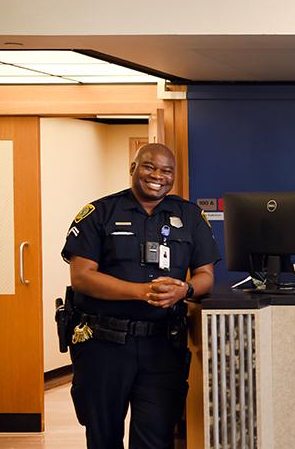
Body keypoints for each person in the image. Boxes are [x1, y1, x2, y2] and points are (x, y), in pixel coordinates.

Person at [60, 143, 218, 448]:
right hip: (103, 345)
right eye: (149, 167)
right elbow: (81, 277)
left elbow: (206, 276)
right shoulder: (99, 213)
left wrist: (184, 290)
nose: (157, 175)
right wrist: (140, 292)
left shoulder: (191, 216)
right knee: (102, 437)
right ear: (133, 168)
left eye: (166, 170)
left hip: (162, 346)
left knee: (156, 438)